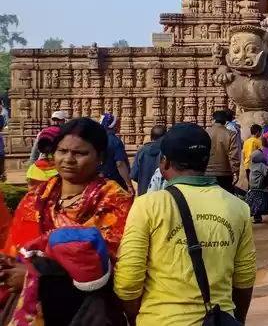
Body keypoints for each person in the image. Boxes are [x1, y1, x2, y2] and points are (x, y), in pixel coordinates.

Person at [114, 122, 256, 326]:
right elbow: (244, 280)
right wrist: (234, 320)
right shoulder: (237, 207)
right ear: (206, 161)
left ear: (164, 162)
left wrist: (137, 317)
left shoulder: (148, 205)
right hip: (218, 318)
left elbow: (128, 281)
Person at [3, 118, 133, 325]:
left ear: (99, 157)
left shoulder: (114, 202)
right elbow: (15, 250)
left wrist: (35, 278)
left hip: (85, 310)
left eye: (80, 153)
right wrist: (10, 267)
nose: (68, 159)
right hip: (28, 308)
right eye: (62, 151)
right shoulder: (34, 199)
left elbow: (110, 267)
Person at [99, 113, 135, 192]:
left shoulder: (94, 139)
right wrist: (129, 185)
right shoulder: (115, 141)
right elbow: (120, 164)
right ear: (112, 125)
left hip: (98, 182)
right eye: (117, 124)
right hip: (114, 183)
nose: (119, 126)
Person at [246, 131, 268, 224]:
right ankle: (257, 215)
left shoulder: (252, 165)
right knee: (259, 203)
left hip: (253, 187)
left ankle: (255, 216)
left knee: (254, 202)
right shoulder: (261, 166)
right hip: (260, 187)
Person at [131, 125, 167, 196]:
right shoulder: (167, 151)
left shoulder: (142, 151)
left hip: (144, 194)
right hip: (162, 194)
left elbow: (134, 175)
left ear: (151, 137)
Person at [241, 124, 262, 188]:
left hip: (247, 165)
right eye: (261, 132)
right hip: (255, 166)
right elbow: (261, 154)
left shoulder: (246, 141)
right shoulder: (258, 141)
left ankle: (249, 196)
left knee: (249, 183)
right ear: (258, 132)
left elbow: (243, 153)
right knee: (256, 185)